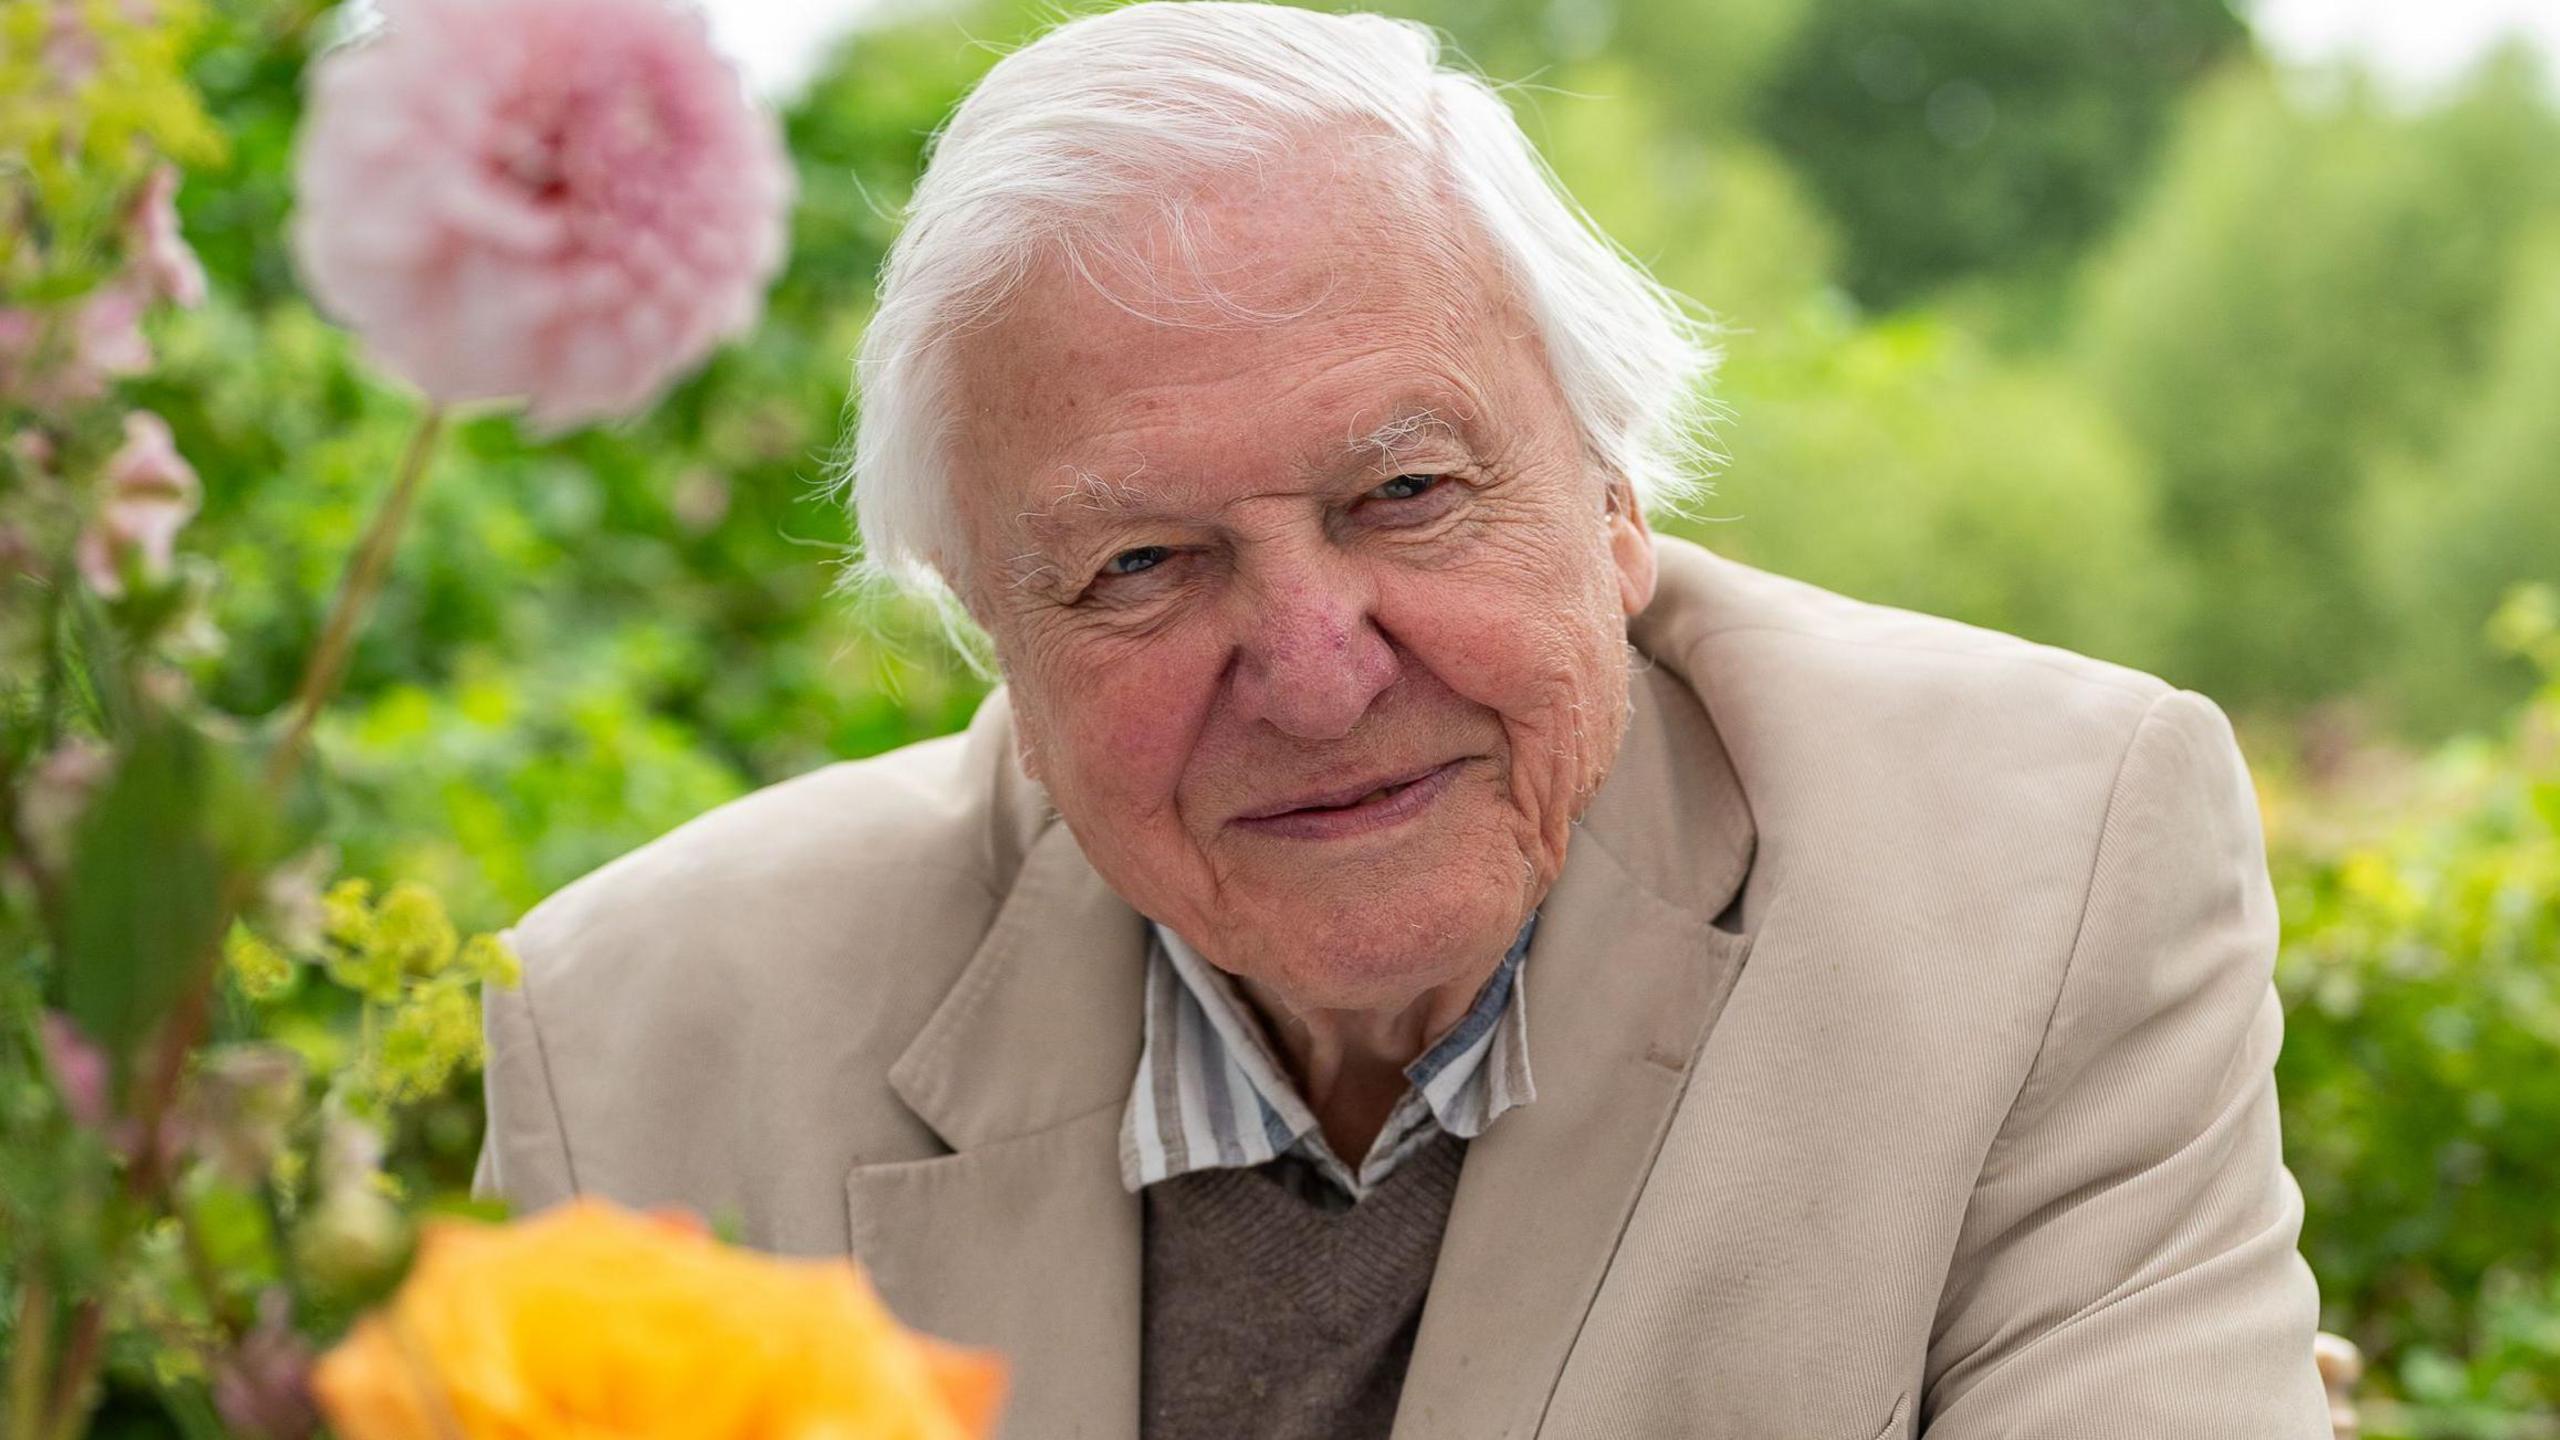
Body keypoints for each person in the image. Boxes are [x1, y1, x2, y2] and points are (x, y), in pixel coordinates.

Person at [474, 3, 2333, 1435]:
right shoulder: (640, 1055)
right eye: (1139, 564)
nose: (1316, 669)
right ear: (995, 646)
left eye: (1409, 496)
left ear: (1615, 504)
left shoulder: (2048, 864)